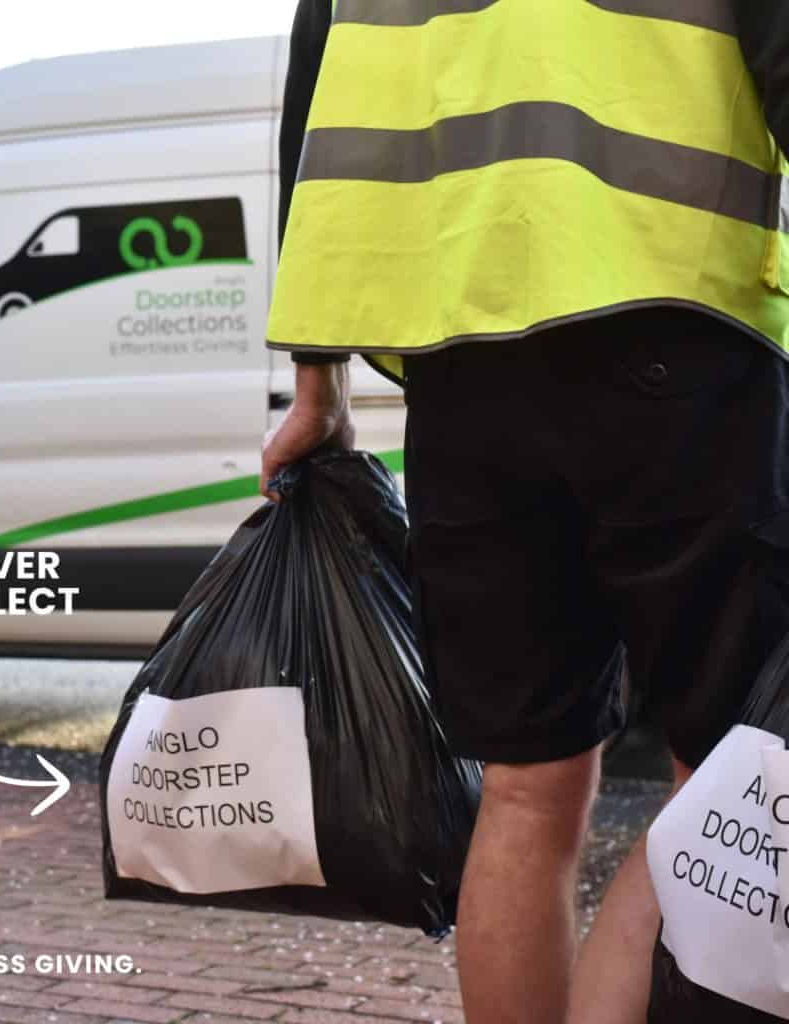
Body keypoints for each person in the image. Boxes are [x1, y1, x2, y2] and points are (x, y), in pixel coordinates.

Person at [261, 4, 789, 1023]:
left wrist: (316, 384)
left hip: (464, 364)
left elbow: (315, 125)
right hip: (674, 324)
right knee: (726, 774)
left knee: (522, 784)